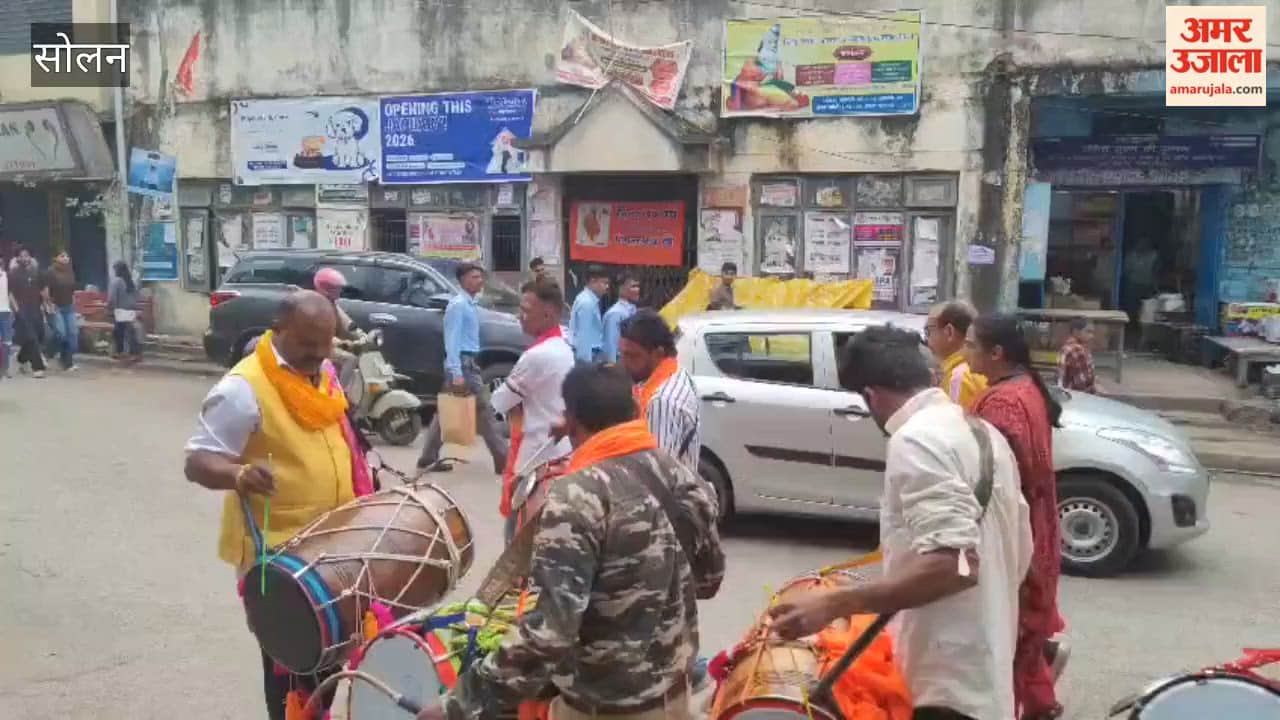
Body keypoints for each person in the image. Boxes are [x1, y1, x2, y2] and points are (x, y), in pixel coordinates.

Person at [422, 363, 724, 720]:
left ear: (573, 419)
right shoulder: (682, 475)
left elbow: (548, 636)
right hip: (675, 695)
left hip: (605, 706)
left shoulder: (576, 497)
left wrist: (458, 703)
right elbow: (708, 581)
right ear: (633, 410)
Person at [768, 325, 1031, 720]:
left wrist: (836, 602)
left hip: (947, 688)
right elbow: (1020, 552)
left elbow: (957, 565)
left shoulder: (915, 440)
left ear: (871, 396)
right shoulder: (983, 433)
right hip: (984, 672)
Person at [183, 290, 374, 720]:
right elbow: (197, 460)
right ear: (279, 330)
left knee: (328, 664)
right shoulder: (242, 388)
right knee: (293, 670)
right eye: (309, 343)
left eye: (326, 342)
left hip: (332, 545)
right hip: (279, 556)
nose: (321, 353)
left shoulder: (321, 371)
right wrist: (236, 474)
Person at [966, 314, 1066, 720]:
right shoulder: (1023, 387)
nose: (965, 351)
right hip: (1035, 521)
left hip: (1018, 528)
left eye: (971, 344)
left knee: (1007, 631)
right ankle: (1040, 695)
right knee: (1018, 629)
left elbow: (995, 476)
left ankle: (1030, 704)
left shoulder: (1003, 402)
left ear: (996, 353)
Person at [491, 278, 575, 536]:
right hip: (559, 453)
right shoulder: (564, 341)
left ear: (548, 313)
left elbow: (500, 401)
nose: (520, 316)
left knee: (516, 543)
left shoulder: (537, 356)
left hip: (535, 460)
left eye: (526, 310)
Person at [417, 262, 508, 473]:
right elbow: (452, 341)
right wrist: (456, 371)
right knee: (485, 410)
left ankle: (427, 457)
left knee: (445, 412)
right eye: (475, 277)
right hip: (463, 366)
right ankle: (504, 459)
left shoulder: (470, 305)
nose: (480, 281)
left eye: (481, 277)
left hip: (467, 364)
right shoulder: (458, 305)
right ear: (463, 280)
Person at [619, 310, 700, 474]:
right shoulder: (674, 372)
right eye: (622, 354)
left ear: (658, 353)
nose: (624, 363)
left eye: (632, 356)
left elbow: (657, 475)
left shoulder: (661, 401)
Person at [925, 300, 986, 410]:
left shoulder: (959, 377)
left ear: (949, 332)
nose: (926, 339)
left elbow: (954, 425)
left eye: (929, 331)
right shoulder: (981, 367)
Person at [311, 267, 364, 390]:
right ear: (326, 288)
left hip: (329, 344)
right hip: (316, 346)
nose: (340, 291)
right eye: (336, 288)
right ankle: (338, 391)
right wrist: (341, 343)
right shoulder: (317, 306)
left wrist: (362, 335)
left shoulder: (333, 303)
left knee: (359, 355)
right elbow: (322, 332)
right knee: (350, 359)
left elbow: (347, 323)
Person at [7, 247, 47, 378]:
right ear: (17, 258)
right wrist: (17, 309)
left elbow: (43, 289)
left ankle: (21, 359)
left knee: (39, 335)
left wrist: (47, 304)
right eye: (22, 256)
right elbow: (10, 293)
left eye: (27, 255)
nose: (25, 258)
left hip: (36, 308)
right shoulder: (13, 273)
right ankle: (38, 368)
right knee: (31, 337)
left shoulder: (36, 271)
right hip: (22, 310)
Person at [44, 250, 78, 371]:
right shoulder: (50, 271)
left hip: (69, 306)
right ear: (56, 258)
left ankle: (67, 362)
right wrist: (48, 304)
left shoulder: (70, 271)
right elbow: (45, 289)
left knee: (72, 333)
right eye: (62, 256)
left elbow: (72, 288)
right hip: (56, 306)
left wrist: (74, 301)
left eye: (67, 256)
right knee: (61, 333)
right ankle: (47, 353)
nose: (65, 258)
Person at [569, 267, 609, 362]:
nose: (607, 287)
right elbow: (583, 335)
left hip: (591, 352)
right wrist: (586, 365)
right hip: (589, 353)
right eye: (604, 283)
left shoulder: (589, 300)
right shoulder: (587, 302)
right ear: (593, 281)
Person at [107, 261, 142, 364]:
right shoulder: (130, 281)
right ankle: (135, 353)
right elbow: (136, 297)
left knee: (118, 332)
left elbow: (112, 298)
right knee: (130, 332)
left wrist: (109, 309)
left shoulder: (116, 282)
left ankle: (119, 351)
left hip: (120, 311)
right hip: (131, 310)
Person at [601, 273, 640, 363]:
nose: (638, 290)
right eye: (633, 286)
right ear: (621, 288)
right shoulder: (615, 314)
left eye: (638, 286)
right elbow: (610, 348)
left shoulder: (633, 310)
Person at [1057, 318, 1096, 394]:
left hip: (1065, 392)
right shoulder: (1078, 350)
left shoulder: (1064, 347)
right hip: (1080, 396)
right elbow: (1083, 382)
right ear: (1076, 332)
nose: (1092, 336)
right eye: (1088, 332)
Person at [0, 256, 12, 378]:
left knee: (7, 341)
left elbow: (11, 293)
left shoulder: (7, 276)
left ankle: (6, 368)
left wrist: (15, 309)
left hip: (5, 312)